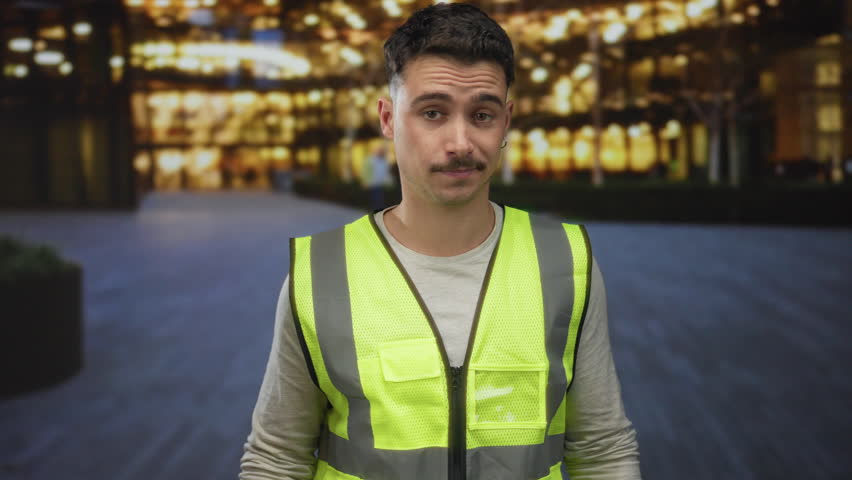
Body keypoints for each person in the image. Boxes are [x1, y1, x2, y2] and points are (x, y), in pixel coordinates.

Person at [240, 4, 640, 479]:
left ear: (506, 121)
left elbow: (603, 451)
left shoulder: (566, 263)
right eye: (433, 112)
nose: (461, 142)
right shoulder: (319, 275)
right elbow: (276, 459)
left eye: (482, 115)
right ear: (388, 118)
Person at [362, 143, 391, 211]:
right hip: (372, 183)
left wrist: (388, 181)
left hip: (380, 183)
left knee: (379, 199)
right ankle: (374, 211)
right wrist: (365, 181)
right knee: (375, 199)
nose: (380, 153)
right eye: (379, 151)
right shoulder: (370, 160)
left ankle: (377, 211)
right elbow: (366, 171)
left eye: (381, 151)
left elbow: (386, 172)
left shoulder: (384, 161)